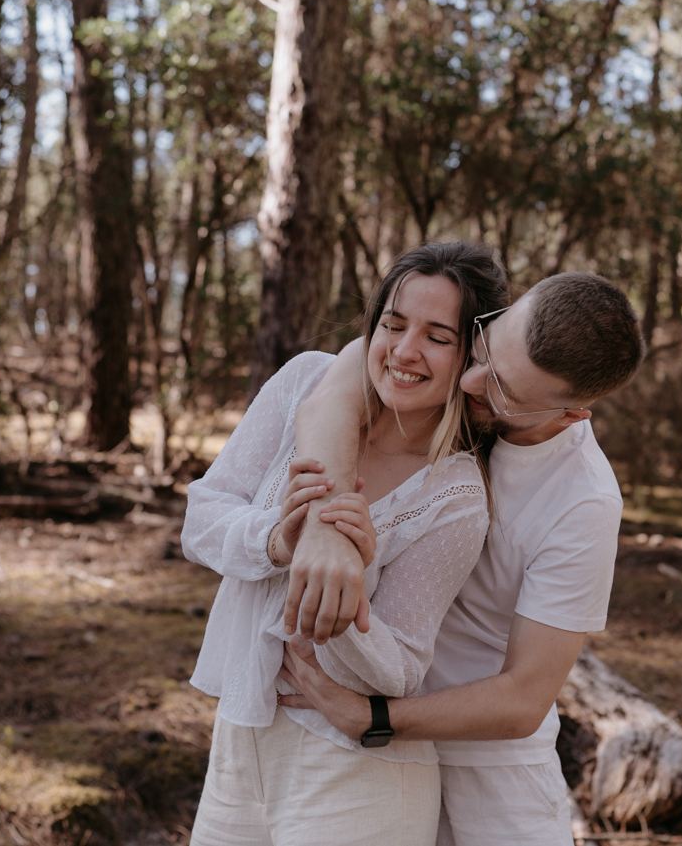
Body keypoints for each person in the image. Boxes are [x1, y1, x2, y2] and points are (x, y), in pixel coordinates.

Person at [277, 271, 646, 845]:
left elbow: (524, 698)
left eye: (504, 391)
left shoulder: (584, 504)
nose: (472, 381)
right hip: (379, 768)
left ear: (573, 414)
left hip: (492, 791)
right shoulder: (455, 382)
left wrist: (372, 719)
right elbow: (344, 375)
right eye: (486, 347)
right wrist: (326, 527)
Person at [180, 242, 509, 845]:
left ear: (472, 356)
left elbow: (402, 666)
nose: (405, 352)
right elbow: (201, 518)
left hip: (355, 777)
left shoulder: (454, 495)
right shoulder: (306, 380)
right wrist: (278, 542)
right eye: (394, 324)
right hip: (241, 740)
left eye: (438, 337)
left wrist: (348, 598)